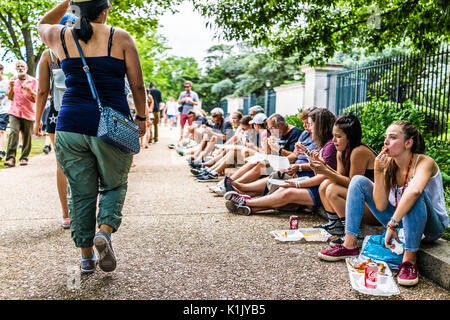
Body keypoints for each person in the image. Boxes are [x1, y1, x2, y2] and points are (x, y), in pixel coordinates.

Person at [38, 0, 147, 274]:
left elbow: (41, 24)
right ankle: (105, 232)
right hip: (111, 125)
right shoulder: (120, 37)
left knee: (81, 192)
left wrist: (66, 1)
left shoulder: (62, 37)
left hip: (70, 125)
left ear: (76, 10)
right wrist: (142, 118)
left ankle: (86, 258)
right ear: (104, 10)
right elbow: (137, 85)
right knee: (114, 185)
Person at [318, 121, 449, 287]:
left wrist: (392, 224)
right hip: (401, 221)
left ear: (409, 143)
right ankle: (349, 244)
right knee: (358, 181)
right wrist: (378, 171)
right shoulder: (389, 165)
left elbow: (415, 191)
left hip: (430, 227)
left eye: (393, 138)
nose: (386, 142)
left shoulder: (424, 162)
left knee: (412, 192)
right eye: (386, 137)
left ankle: (409, 261)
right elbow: (380, 205)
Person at [224, 108, 336, 216]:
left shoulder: (327, 145)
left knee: (282, 185)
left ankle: (244, 199)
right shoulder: (312, 138)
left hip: (314, 180)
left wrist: (282, 154)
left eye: (309, 124)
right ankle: (246, 201)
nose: (307, 127)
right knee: (269, 169)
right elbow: (297, 157)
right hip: (298, 170)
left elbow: (324, 173)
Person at [34, 13, 77, 229]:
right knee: (86, 160)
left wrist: (36, 120)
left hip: (57, 112)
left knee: (61, 163)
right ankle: (84, 209)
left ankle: (66, 214)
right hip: (81, 110)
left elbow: (42, 90)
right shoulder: (84, 49)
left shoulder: (48, 55)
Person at [310, 114, 377, 238]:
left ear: (350, 137)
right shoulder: (341, 152)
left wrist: (325, 171)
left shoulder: (359, 151)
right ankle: (335, 225)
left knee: (333, 190)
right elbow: (338, 178)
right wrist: (323, 165)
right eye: (333, 136)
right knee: (326, 185)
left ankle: (354, 235)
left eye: (338, 136)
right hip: (362, 202)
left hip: (376, 209)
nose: (334, 140)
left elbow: (352, 184)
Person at [4, 60, 38, 167]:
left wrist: (30, 90)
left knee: (27, 135)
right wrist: (12, 87)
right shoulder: (12, 80)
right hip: (14, 112)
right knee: (13, 132)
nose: (20, 68)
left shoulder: (33, 81)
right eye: (18, 66)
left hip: (29, 112)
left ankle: (24, 157)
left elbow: (37, 98)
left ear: (26, 68)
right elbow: (9, 97)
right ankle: (10, 158)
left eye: (22, 66)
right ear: (16, 68)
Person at [0, 63, 12, 161]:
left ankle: (2, 151)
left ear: (1, 71)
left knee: (2, 130)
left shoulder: (7, 82)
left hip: (5, 110)